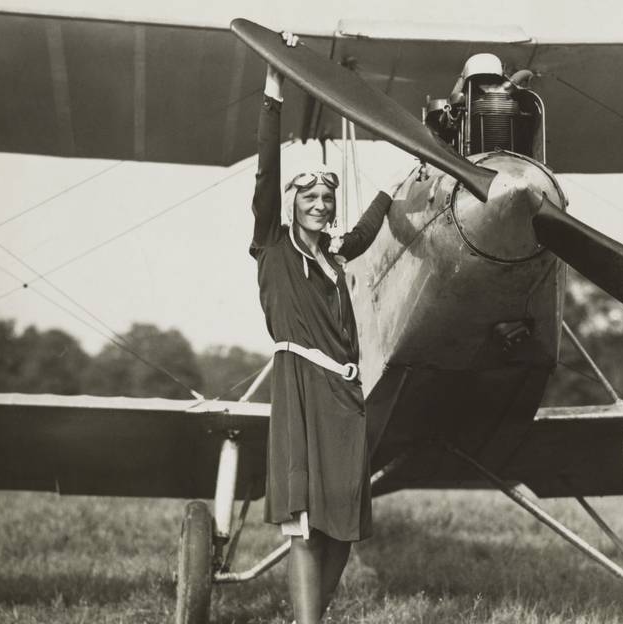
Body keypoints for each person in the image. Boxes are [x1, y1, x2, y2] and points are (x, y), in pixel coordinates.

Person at [250, 31, 392, 624]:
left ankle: (314, 617)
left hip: (346, 397)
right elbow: (267, 173)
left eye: (326, 198)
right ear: (292, 203)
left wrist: (398, 186)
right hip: (302, 387)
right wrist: (274, 88)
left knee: (344, 529)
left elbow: (363, 234)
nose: (319, 204)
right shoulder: (273, 247)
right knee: (306, 528)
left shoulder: (334, 255)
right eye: (308, 196)